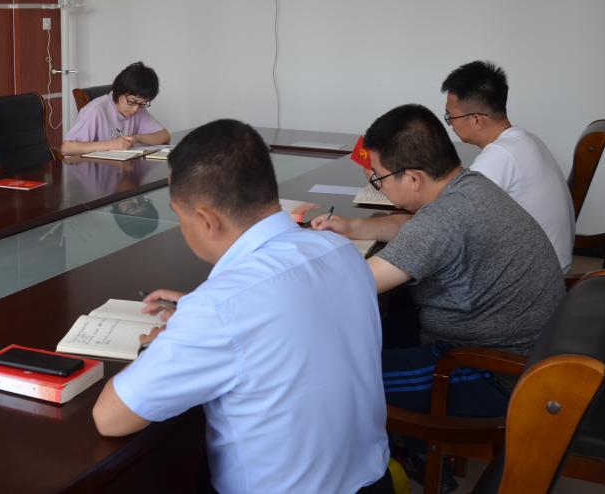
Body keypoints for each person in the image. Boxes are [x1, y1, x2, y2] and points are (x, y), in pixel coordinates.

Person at [92, 120, 391, 494]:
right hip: (374, 483)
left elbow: (111, 418)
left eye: (180, 219)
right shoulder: (340, 252)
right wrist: (197, 315)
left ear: (206, 220)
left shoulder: (220, 308)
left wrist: (163, 342)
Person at [311, 104, 564, 418]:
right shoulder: (467, 186)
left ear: (413, 178)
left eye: (379, 178)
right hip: (516, 350)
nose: (378, 185)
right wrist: (354, 227)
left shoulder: (444, 220)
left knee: (333, 375)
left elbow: (352, 285)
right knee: (375, 325)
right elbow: (413, 225)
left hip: (492, 375)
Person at [441, 60, 575, 271]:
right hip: (551, 263)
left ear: (476, 119)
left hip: (536, 277)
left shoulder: (499, 156)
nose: (450, 124)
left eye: (450, 116)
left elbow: (449, 218)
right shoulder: (526, 139)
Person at [61, 62, 170, 156]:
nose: (135, 109)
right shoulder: (96, 110)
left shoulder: (138, 110)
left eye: (143, 103)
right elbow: (67, 148)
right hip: (90, 170)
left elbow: (164, 136)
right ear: (118, 91)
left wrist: (137, 138)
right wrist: (109, 145)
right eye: (132, 102)